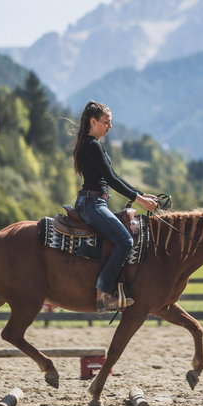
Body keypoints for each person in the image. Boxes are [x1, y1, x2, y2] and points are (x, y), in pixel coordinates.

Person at [72, 101, 158, 313]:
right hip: (93, 203)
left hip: (92, 202)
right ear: (94, 121)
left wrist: (140, 194)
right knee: (125, 240)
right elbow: (111, 179)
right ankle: (104, 293)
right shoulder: (92, 145)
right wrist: (140, 200)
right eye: (106, 122)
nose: (110, 126)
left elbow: (114, 177)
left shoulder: (89, 144)